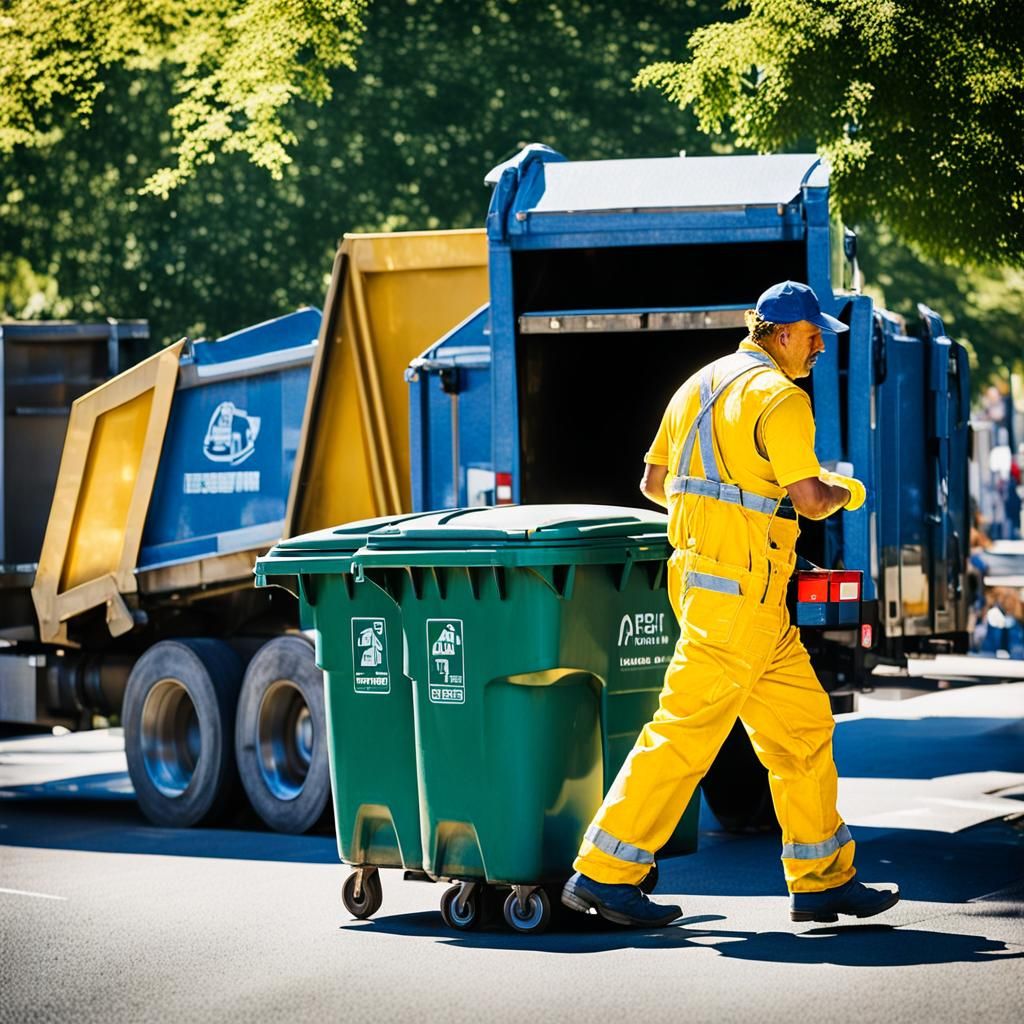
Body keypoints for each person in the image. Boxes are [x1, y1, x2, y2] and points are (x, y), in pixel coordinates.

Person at [561, 280, 900, 928]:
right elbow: (808, 496)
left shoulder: (698, 384)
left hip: (722, 591)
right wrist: (849, 489)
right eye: (811, 334)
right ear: (779, 333)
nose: (820, 346)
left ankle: (823, 879)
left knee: (802, 729)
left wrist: (716, 522)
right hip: (740, 595)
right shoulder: (781, 397)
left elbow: (654, 484)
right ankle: (604, 874)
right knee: (683, 735)